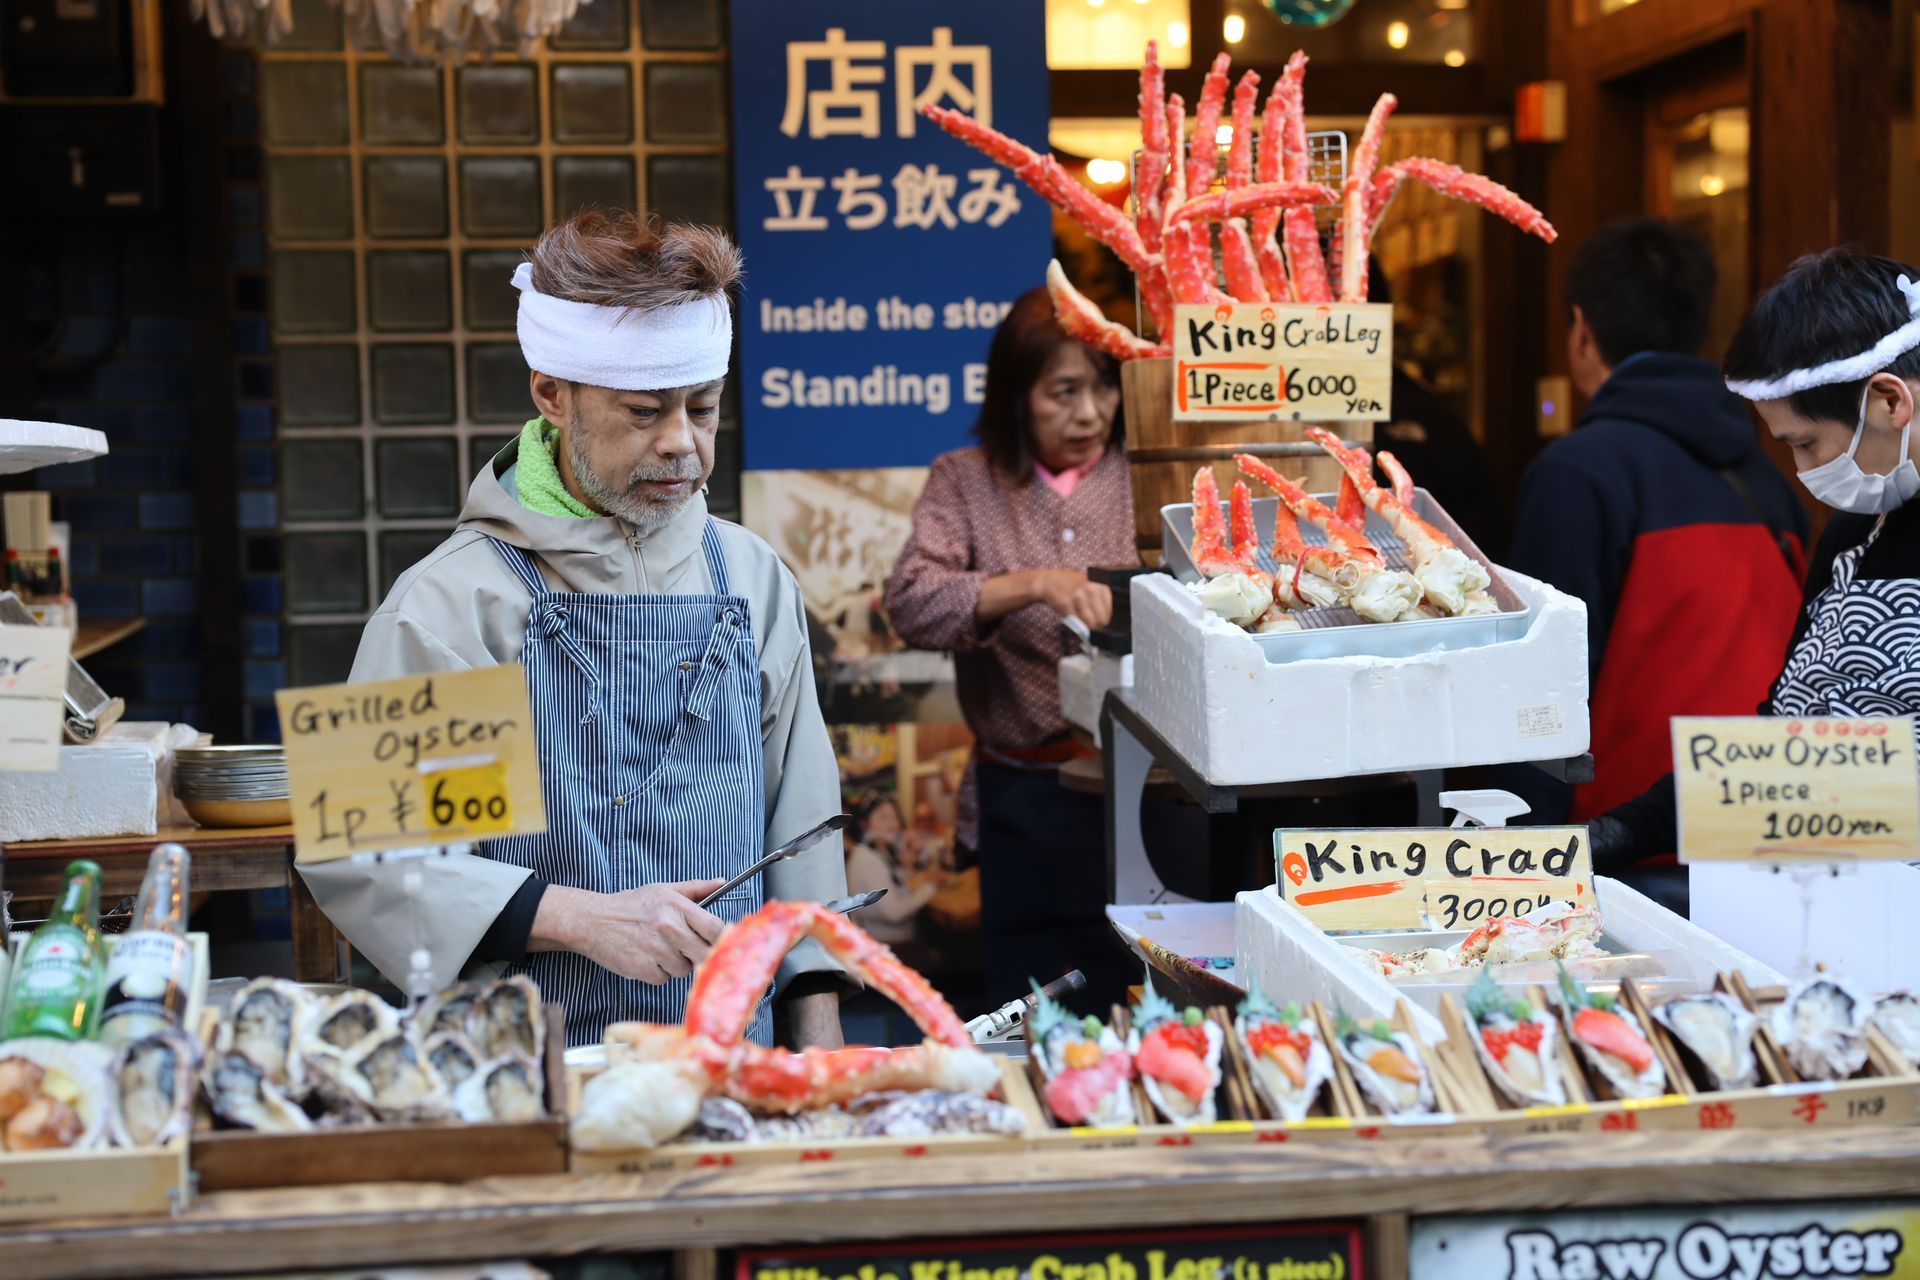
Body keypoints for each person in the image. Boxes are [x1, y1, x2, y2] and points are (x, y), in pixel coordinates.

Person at [301, 212, 847, 1048]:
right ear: (550, 392)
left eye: (702, 409)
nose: (683, 446)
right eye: (642, 412)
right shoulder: (454, 606)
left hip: (734, 1064)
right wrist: (583, 920)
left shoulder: (750, 578)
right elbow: (375, 863)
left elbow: (801, 837)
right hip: (522, 1071)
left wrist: (818, 1057)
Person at [1594, 247, 1920, 891]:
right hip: (1811, 903)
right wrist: (1623, 832)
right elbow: (1781, 745)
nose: (1802, 471)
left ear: (1888, 402)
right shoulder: (1856, 532)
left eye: (1805, 443)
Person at [1505, 218, 1807, 826]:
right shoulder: (1771, 478)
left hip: (1621, 842)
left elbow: (1539, 686)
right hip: (1767, 826)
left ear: (1582, 332)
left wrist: (1517, 850)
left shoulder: (1579, 472)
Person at [885, 287, 1136, 1007]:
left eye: (1103, 388)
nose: (1089, 413)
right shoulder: (964, 482)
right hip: (1024, 800)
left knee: (1148, 998)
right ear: (1016, 394)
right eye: (1063, 392)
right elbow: (912, 603)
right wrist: (1035, 584)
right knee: (1032, 1012)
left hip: (1151, 797)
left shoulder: (1144, 475)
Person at [841, 793, 940, 948]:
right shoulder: (867, 859)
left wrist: (906, 869)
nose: (894, 823)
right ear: (865, 824)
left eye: (895, 816)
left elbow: (894, 886)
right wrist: (930, 887)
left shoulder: (878, 852)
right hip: (886, 945)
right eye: (883, 817)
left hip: (889, 940)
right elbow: (894, 913)